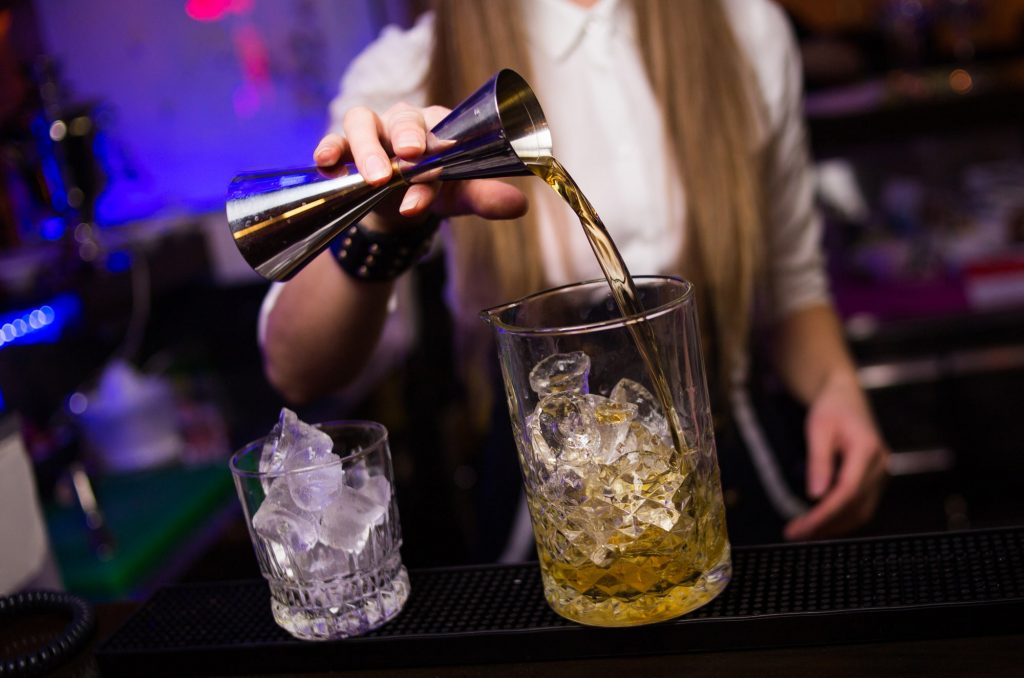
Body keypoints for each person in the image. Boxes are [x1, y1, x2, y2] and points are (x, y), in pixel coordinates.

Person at [260, 0, 888, 554]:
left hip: (735, 480)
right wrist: (381, 230)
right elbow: (299, 369)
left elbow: (792, 285)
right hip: (549, 520)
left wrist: (836, 387)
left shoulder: (745, 24)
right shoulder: (406, 67)